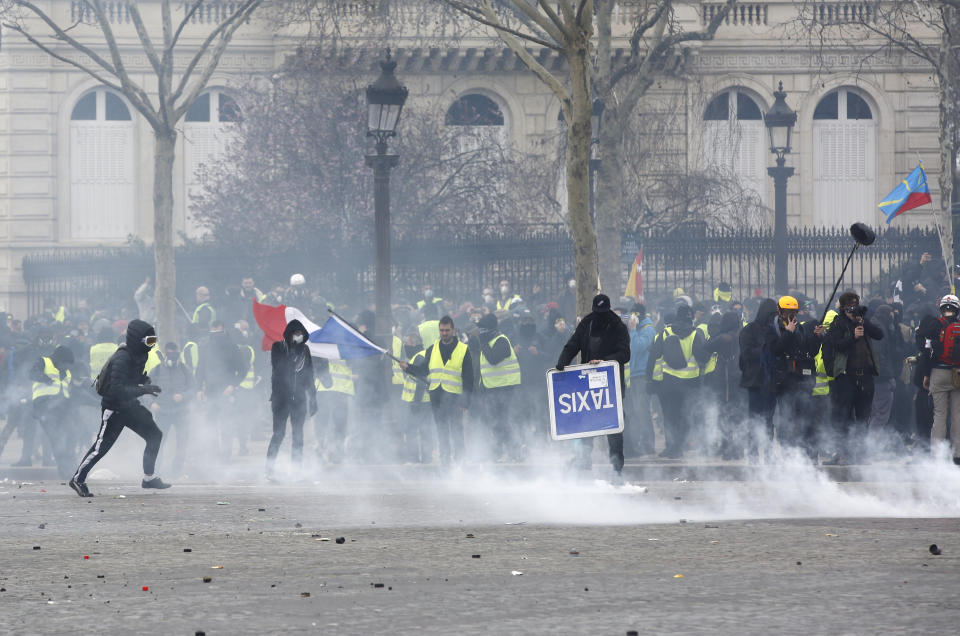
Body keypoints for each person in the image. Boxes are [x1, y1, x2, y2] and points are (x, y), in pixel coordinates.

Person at [69, 319, 169, 497]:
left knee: (155, 435)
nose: (151, 346)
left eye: (154, 341)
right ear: (138, 340)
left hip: (131, 406)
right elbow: (117, 390)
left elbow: (133, 379)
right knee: (101, 448)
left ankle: (149, 478)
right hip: (115, 409)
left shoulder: (141, 354)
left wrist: (144, 382)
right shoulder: (122, 357)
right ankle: (77, 479)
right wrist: (142, 390)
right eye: (149, 342)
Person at [556, 294, 631, 474]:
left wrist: (604, 361)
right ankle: (584, 462)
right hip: (588, 384)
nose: (600, 315)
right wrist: (562, 362)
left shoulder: (618, 326)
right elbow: (573, 345)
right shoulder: (587, 324)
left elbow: (624, 354)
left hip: (611, 385)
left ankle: (616, 468)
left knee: (613, 427)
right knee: (586, 425)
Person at [400, 315, 474, 467]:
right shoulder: (432, 349)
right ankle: (445, 460)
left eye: (447, 330)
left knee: (456, 430)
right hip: (437, 397)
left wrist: (465, 402)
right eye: (442, 330)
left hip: (454, 397)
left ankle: (460, 461)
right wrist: (409, 368)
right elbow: (423, 371)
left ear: (453, 330)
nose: (444, 333)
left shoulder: (463, 350)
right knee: (441, 431)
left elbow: (468, 378)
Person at [824, 291, 884, 464]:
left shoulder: (862, 321)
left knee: (863, 417)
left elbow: (879, 334)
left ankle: (860, 453)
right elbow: (836, 345)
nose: (853, 308)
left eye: (855, 304)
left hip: (865, 377)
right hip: (846, 377)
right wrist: (853, 337)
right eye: (850, 305)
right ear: (843, 307)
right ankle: (843, 453)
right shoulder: (838, 324)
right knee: (843, 417)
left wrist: (864, 323)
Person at [646, 304, 707, 459]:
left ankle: (670, 446)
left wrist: (650, 380)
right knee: (684, 416)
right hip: (689, 384)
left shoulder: (665, 332)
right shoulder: (695, 334)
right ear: (691, 317)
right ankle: (679, 447)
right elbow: (702, 357)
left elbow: (653, 357)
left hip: (668, 382)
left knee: (668, 415)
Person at [266, 319, 320, 479]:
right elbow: (279, 368)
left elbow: (310, 374)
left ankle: (296, 470)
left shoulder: (305, 350)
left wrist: (313, 398)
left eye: (301, 334)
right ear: (290, 334)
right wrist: (292, 352)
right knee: (279, 433)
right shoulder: (278, 347)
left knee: (298, 435)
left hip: (299, 399)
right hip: (281, 398)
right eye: (296, 334)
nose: (299, 337)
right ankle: (269, 470)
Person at [196, 320, 247, 459]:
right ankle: (214, 456)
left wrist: (232, 385)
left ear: (223, 330)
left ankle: (225, 456)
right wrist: (199, 388)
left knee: (226, 425)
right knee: (211, 425)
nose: (215, 335)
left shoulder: (232, 347)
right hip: (210, 392)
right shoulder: (205, 347)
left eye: (217, 332)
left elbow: (242, 370)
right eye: (212, 332)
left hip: (226, 392)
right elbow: (200, 369)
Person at [918, 294, 960, 464]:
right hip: (958, 373)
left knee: (939, 414)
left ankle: (937, 455)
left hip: (938, 372)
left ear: (942, 308)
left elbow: (926, 351)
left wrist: (926, 374)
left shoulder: (935, 324)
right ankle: (958, 454)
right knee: (957, 415)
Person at [475, 313, 522, 461]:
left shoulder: (501, 340)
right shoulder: (489, 340)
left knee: (501, 421)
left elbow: (493, 359)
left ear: (489, 328)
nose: (480, 332)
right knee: (496, 421)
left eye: (482, 329)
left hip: (505, 387)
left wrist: (482, 343)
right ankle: (500, 450)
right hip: (492, 387)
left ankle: (513, 450)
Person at [31, 345, 77, 478]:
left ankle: (72, 467)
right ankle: (64, 471)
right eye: (66, 364)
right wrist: (45, 378)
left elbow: (69, 391)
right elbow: (32, 373)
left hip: (62, 409)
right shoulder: (43, 362)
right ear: (60, 359)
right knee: (56, 438)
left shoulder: (67, 373)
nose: (67, 367)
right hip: (44, 407)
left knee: (72, 434)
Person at [149, 342, 194, 476]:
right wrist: (151, 403)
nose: (173, 354)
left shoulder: (185, 369)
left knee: (182, 442)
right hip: (162, 412)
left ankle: (176, 470)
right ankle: (156, 470)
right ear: (165, 354)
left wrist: (183, 396)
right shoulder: (156, 370)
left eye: (175, 351)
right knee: (159, 443)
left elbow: (193, 388)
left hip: (181, 412)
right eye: (170, 352)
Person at [626, 304, 656, 456]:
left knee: (642, 410)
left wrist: (632, 330)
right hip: (632, 374)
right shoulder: (636, 330)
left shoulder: (648, 329)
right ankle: (635, 443)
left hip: (642, 375)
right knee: (633, 411)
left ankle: (648, 444)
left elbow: (638, 347)